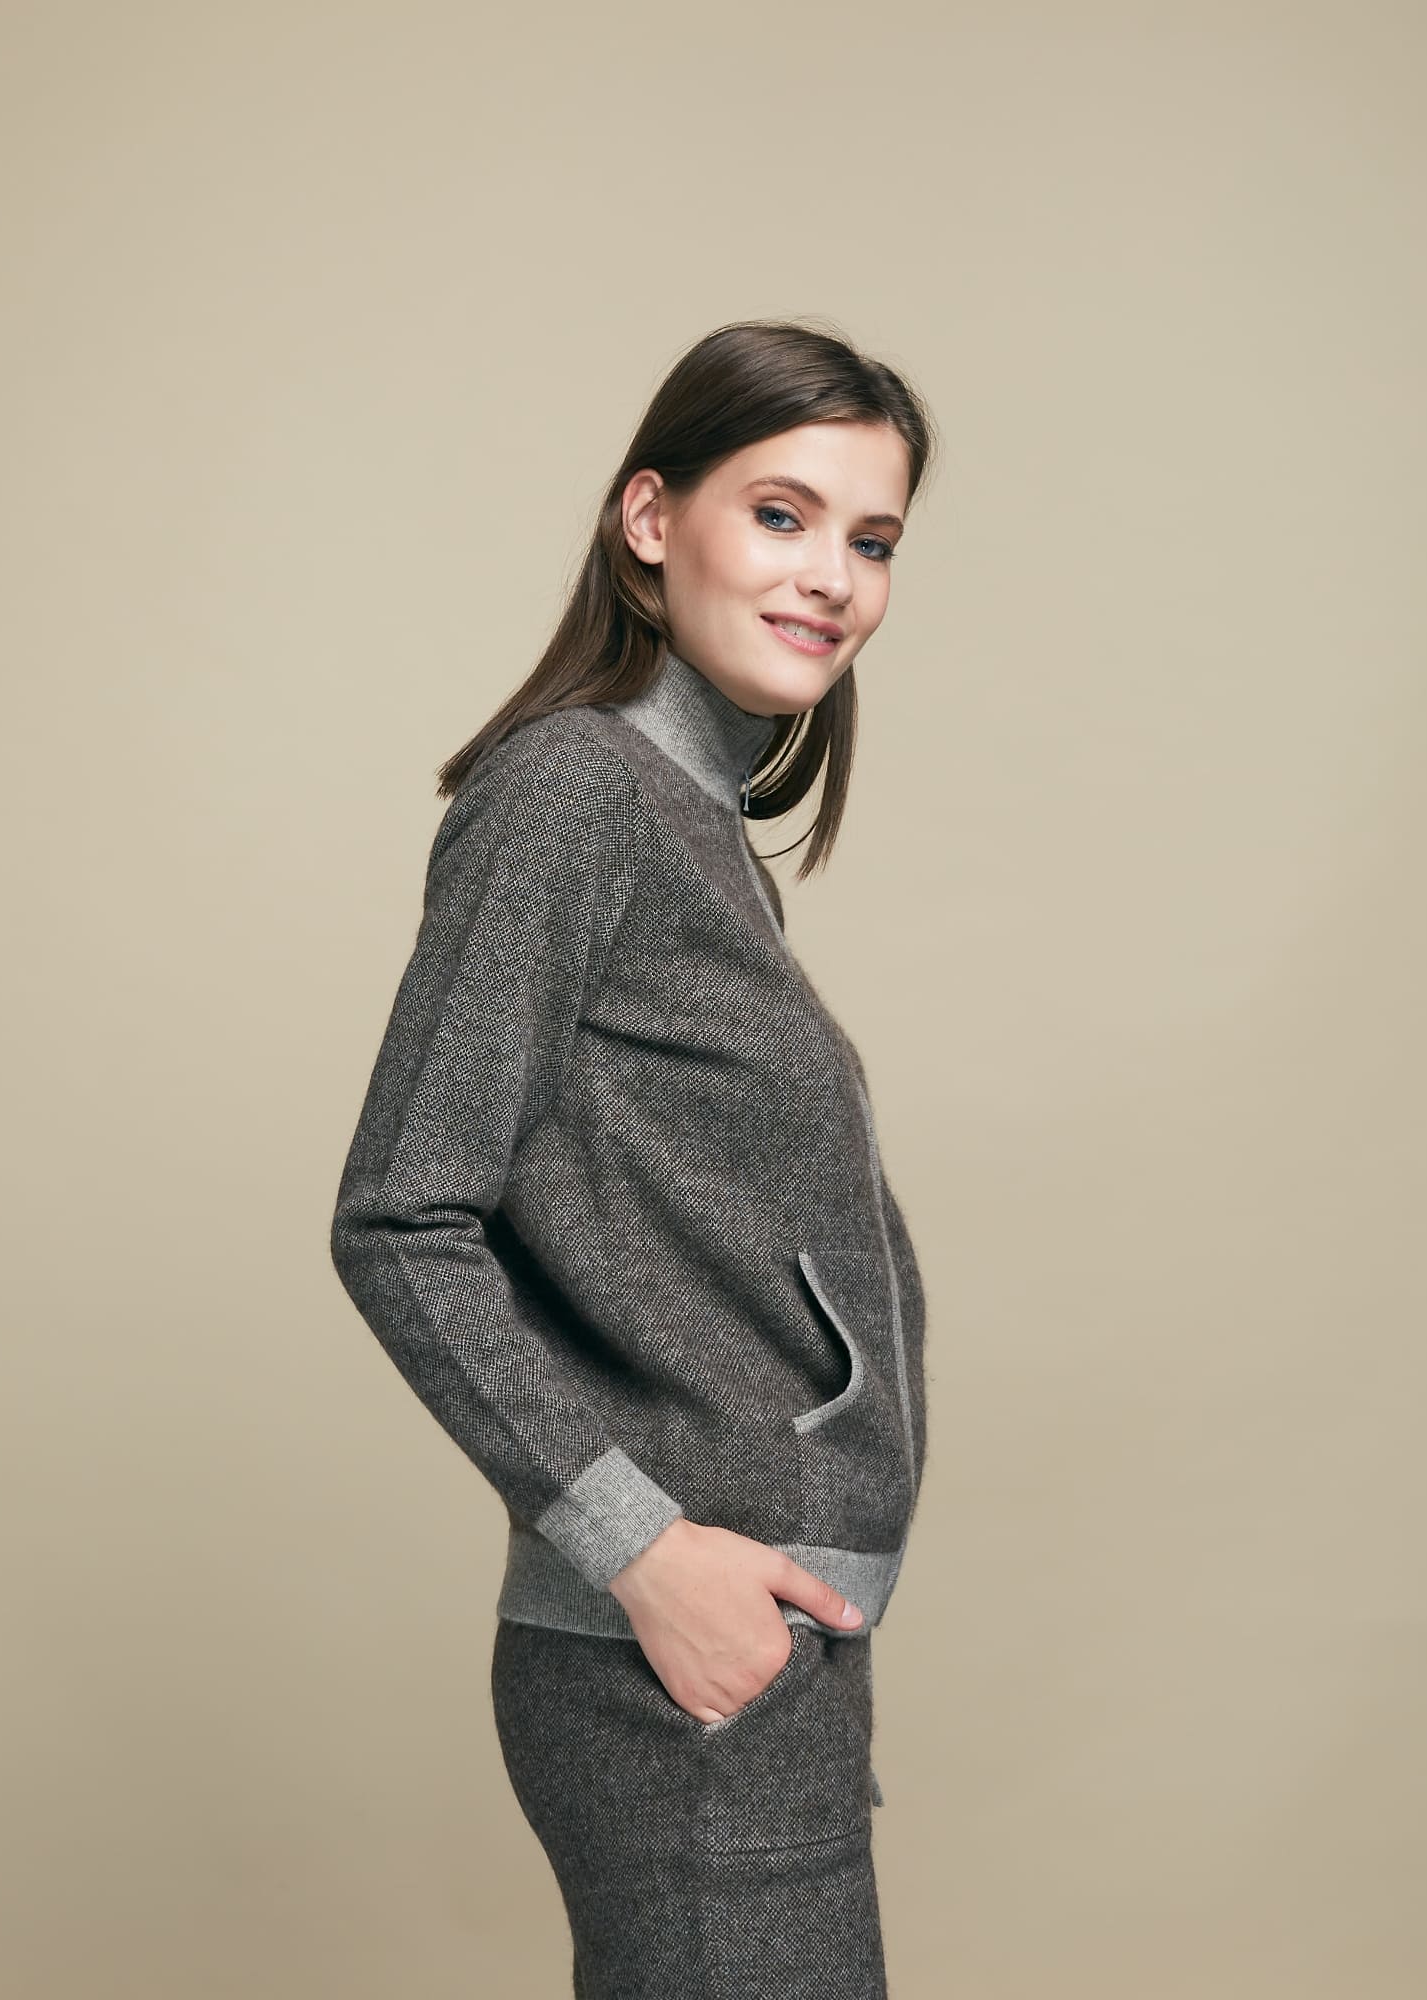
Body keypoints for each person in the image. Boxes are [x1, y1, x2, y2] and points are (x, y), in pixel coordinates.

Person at [329, 317, 939, 1998]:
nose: (831, 577)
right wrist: (646, 1554)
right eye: (781, 515)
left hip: (758, 1661)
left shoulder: (691, 827)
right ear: (651, 519)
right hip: (677, 1663)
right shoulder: (577, 797)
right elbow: (400, 1218)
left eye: (873, 539)